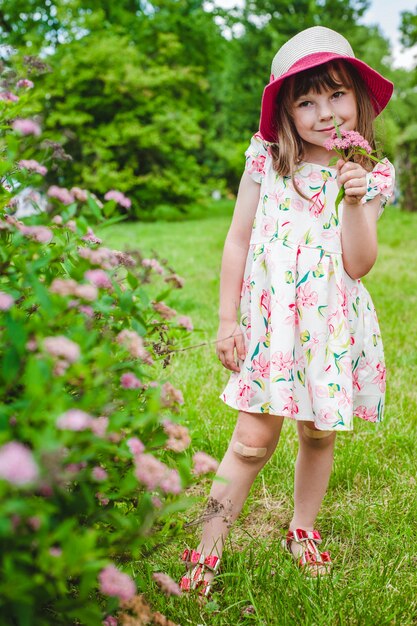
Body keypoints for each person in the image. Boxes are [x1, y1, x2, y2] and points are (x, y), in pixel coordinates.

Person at [180, 25, 395, 593]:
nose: (326, 113)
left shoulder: (371, 176)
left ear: (359, 98)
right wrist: (228, 320)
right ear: (287, 113)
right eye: (307, 100)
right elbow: (237, 239)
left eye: (337, 94)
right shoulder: (267, 160)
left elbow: (358, 263)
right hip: (272, 323)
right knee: (251, 440)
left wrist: (353, 199)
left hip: (329, 327)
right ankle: (206, 544)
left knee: (318, 435)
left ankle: (302, 527)